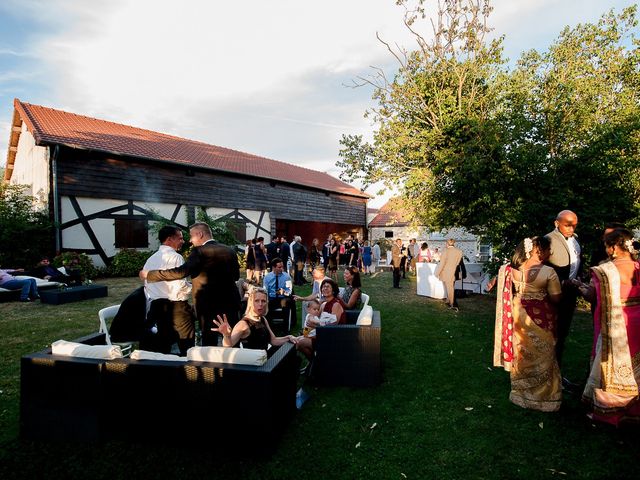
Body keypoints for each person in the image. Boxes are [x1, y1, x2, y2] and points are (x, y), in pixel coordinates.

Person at [576, 228, 640, 426]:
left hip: (616, 322)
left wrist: (580, 288)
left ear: (613, 248)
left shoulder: (605, 271)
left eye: (606, 245)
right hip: (637, 321)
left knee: (611, 364)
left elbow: (593, 296)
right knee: (635, 365)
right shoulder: (638, 266)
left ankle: (610, 411)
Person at [140, 222, 240, 347]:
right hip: (230, 303)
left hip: (207, 306)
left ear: (200, 234)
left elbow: (180, 272)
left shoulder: (199, 251)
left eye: (192, 236)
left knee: (209, 343)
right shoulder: (229, 250)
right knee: (232, 339)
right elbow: (236, 276)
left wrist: (149, 275)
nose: (190, 241)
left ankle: (211, 366)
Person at [493, 236, 563, 412]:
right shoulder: (548, 272)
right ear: (539, 250)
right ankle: (543, 398)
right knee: (544, 353)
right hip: (541, 318)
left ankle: (520, 394)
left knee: (521, 350)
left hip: (518, 313)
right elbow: (556, 298)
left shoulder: (512, 270)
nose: (550, 252)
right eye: (548, 249)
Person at [142, 226, 196, 355]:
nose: (183, 241)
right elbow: (180, 286)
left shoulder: (150, 259)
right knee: (186, 345)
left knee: (163, 344)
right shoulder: (176, 258)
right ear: (170, 239)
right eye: (180, 238)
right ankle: (189, 371)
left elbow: (146, 284)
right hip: (177, 307)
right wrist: (194, 287)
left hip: (157, 307)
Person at [545, 210, 582, 377]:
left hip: (570, 294)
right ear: (556, 223)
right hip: (553, 296)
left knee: (562, 335)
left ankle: (557, 373)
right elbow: (541, 269)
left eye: (574, 225)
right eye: (567, 225)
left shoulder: (575, 240)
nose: (571, 229)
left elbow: (576, 264)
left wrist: (579, 277)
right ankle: (549, 374)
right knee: (552, 336)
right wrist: (561, 282)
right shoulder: (548, 240)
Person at [212, 287, 296, 350]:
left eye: (263, 301)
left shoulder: (262, 319)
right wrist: (226, 335)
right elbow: (228, 346)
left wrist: (288, 337)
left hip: (265, 359)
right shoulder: (243, 324)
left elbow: (273, 340)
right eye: (257, 301)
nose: (260, 304)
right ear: (251, 303)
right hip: (253, 365)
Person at [263, 257, 297, 330]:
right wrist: (266, 299)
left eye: (282, 267)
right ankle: (269, 328)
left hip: (283, 297)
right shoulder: (267, 277)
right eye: (279, 267)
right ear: (273, 267)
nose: (282, 269)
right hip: (272, 298)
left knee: (284, 303)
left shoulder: (286, 276)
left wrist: (283, 292)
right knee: (265, 306)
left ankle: (285, 328)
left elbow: (289, 292)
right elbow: (265, 291)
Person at [435, 239, 463, 311]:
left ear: (447, 243)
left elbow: (442, 264)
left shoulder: (445, 251)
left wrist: (437, 273)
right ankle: (448, 300)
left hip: (447, 272)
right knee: (451, 287)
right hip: (455, 271)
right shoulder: (459, 251)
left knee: (450, 288)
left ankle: (452, 304)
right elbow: (458, 263)